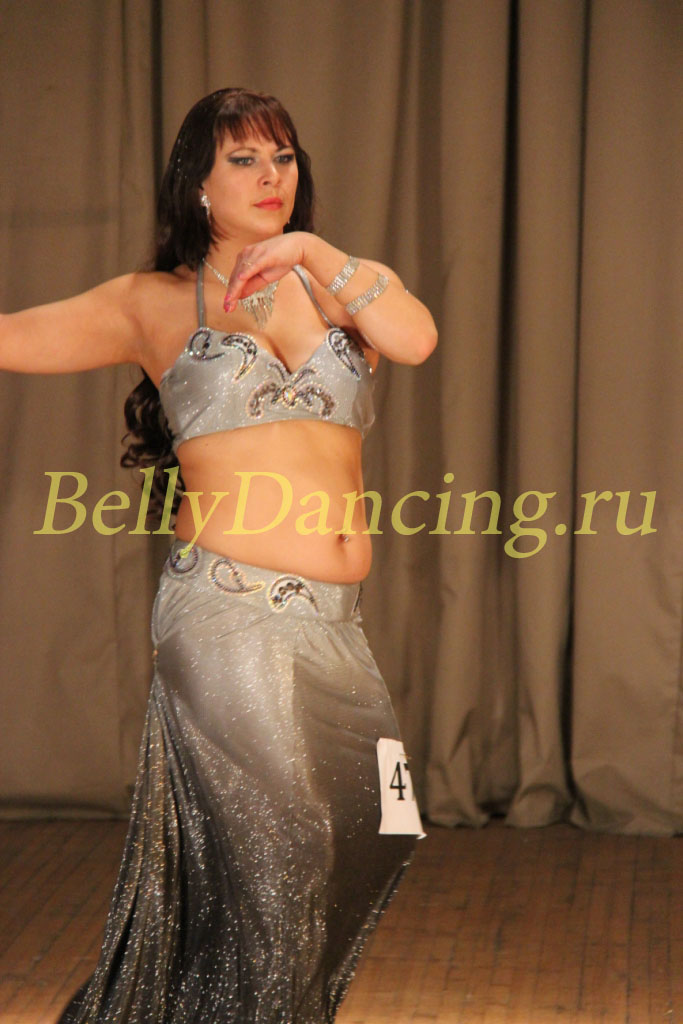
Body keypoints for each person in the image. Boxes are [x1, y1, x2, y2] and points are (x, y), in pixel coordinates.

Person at [1, 87, 437, 1022]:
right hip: (225, 615)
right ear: (197, 183)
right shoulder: (150, 303)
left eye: (282, 156)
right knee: (287, 852)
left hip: (335, 631)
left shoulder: (344, 285)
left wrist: (311, 252)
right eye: (243, 159)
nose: (270, 175)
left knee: (377, 831)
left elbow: (416, 337)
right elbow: (9, 340)